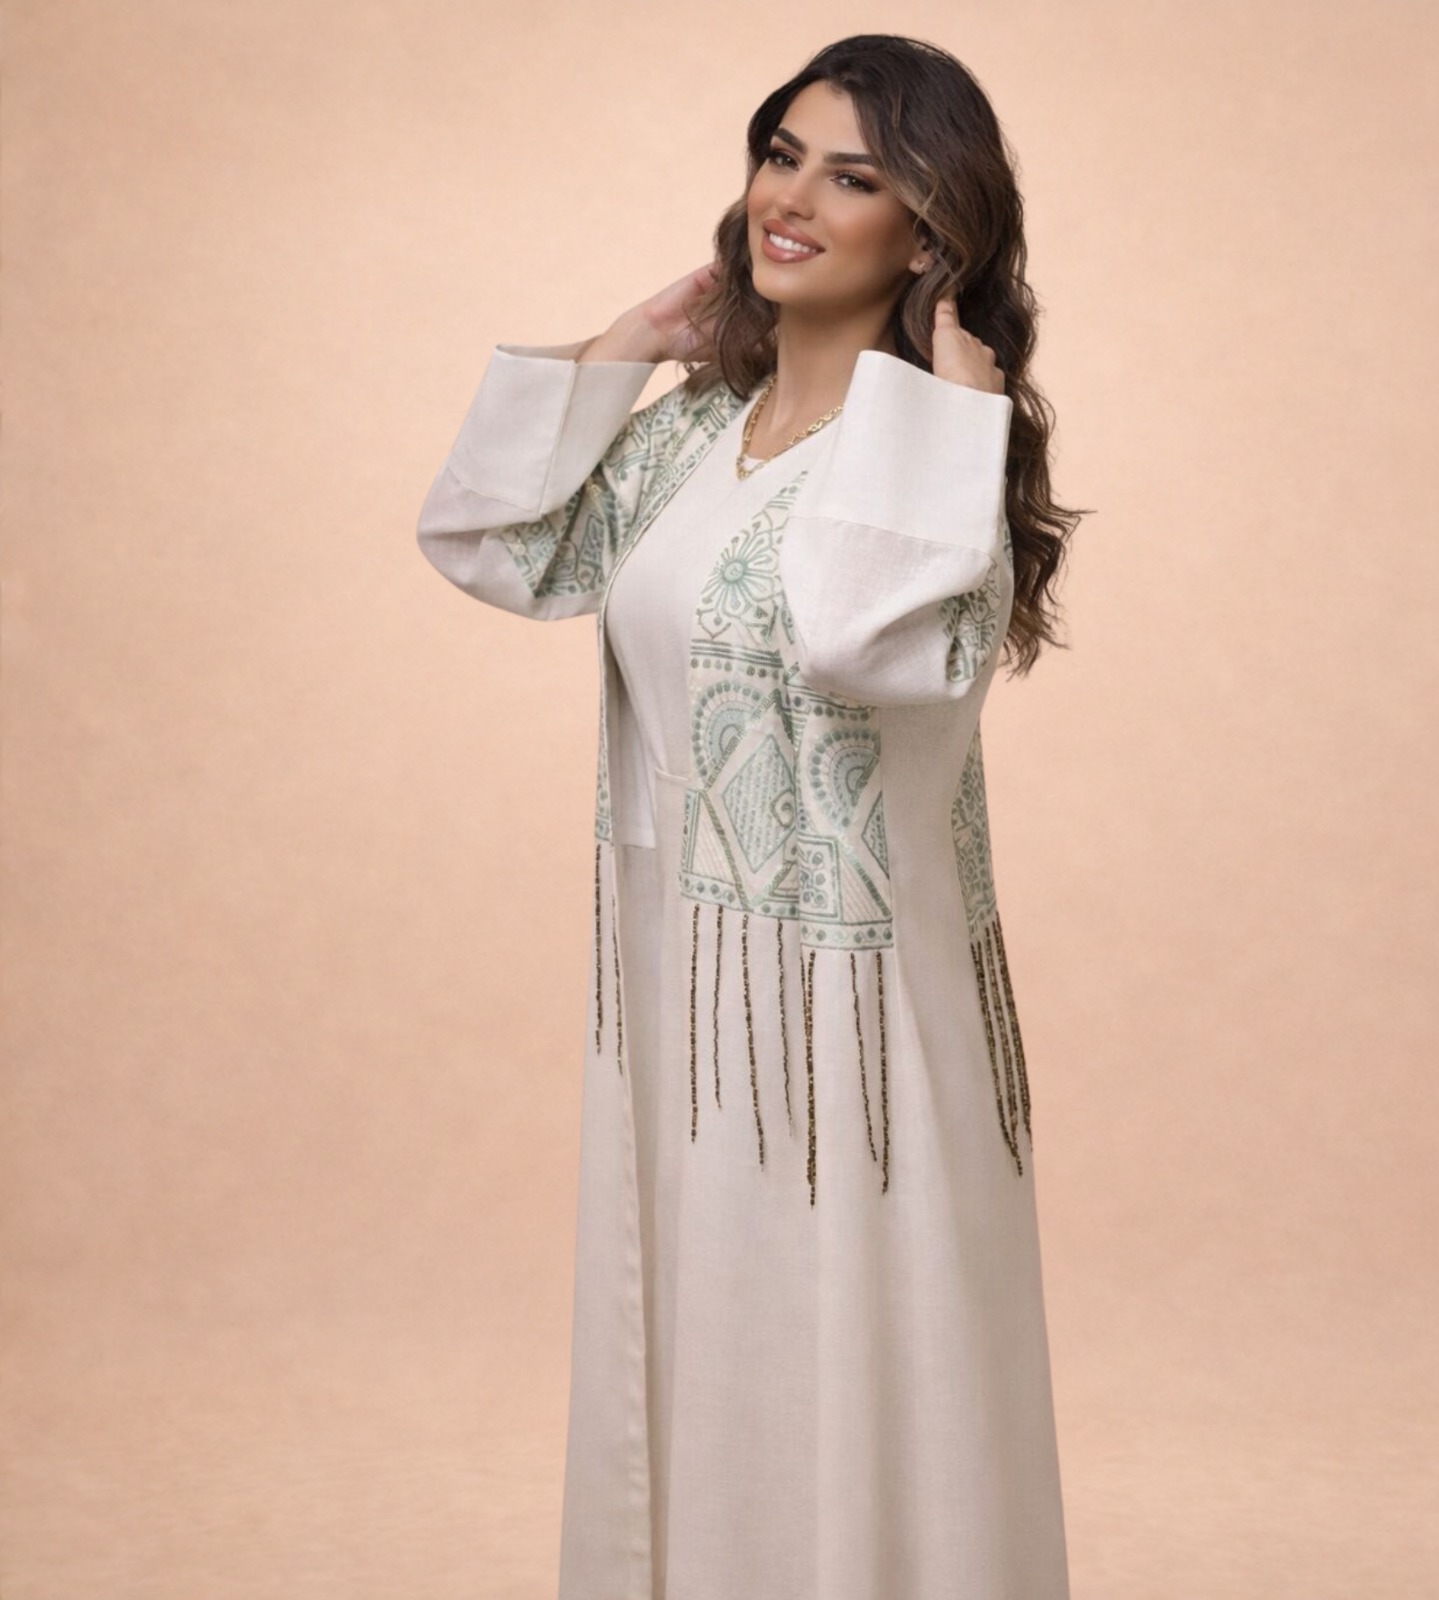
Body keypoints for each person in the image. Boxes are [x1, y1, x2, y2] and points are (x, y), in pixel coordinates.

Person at [417, 32, 1087, 1600]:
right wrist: (633, 343)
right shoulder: (685, 438)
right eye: (781, 154)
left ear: (926, 236)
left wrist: (949, 414)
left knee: (853, 1373)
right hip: (683, 990)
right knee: (693, 1354)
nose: (791, 198)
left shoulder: (934, 463)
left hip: (853, 1018)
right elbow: (488, 543)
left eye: (851, 178)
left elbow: (853, 638)